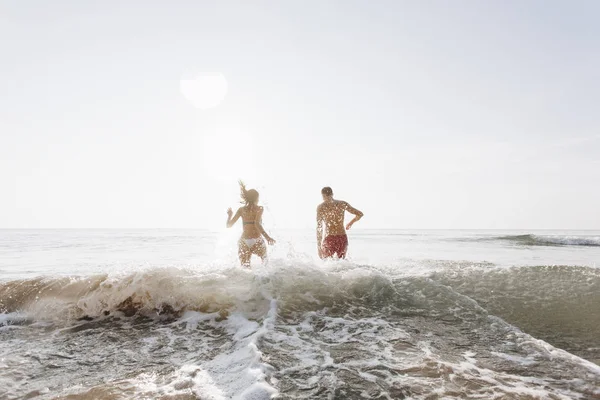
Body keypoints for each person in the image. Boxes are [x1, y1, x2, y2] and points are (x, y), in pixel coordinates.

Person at [226, 181, 276, 267]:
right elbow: (257, 224)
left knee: (245, 269)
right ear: (256, 198)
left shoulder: (241, 210)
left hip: (244, 241)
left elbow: (229, 225)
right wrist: (268, 238)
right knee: (265, 263)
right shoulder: (259, 208)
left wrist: (229, 215)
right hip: (257, 240)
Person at [316, 186, 363, 259]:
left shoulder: (321, 207)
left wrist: (319, 246)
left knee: (327, 264)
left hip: (329, 238)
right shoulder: (342, 204)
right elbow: (360, 214)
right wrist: (350, 223)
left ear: (322, 195)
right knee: (341, 265)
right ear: (332, 194)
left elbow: (319, 227)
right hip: (342, 238)